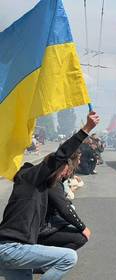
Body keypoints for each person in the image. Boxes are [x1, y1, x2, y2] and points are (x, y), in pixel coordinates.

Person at [0, 112, 99, 280]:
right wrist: (87, 128)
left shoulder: (36, 189)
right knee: (68, 257)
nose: (63, 175)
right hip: (11, 249)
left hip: (12, 250)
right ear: (53, 168)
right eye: (63, 171)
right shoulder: (31, 179)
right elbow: (61, 154)